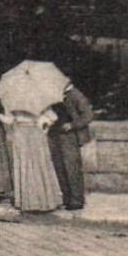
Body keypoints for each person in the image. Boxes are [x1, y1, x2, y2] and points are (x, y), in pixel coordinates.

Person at [6, 106, 64, 213]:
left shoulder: (14, 103)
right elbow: (54, 117)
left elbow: (8, 120)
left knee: (24, 165)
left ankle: (27, 201)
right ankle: (45, 200)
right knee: (40, 165)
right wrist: (45, 124)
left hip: (20, 133)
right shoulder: (38, 102)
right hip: (36, 132)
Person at [47, 83, 94, 212]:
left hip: (70, 136)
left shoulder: (75, 94)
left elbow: (88, 115)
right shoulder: (53, 94)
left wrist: (72, 125)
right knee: (59, 167)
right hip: (55, 134)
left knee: (71, 166)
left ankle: (77, 200)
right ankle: (66, 197)